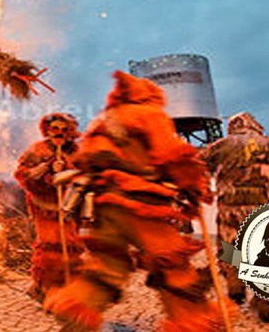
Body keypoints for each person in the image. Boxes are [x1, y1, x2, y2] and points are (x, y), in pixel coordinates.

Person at [44, 71, 229, 332]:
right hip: (141, 206)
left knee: (107, 264)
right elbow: (172, 154)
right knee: (173, 265)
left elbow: (84, 160)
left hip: (103, 206)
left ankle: (77, 307)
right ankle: (193, 322)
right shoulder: (149, 114)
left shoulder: (103, 120)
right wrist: (193, 185)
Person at [198, 111, 269, 322]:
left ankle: (235, 286)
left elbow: (197, 166)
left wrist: (199, 191)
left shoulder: (221, 145)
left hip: (230, 210)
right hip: (264, 209)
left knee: (231, 249)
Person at [13, 113, 85, 302]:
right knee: (50, 248)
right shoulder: (37, 150)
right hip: (45, 208)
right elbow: (22, 175)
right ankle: (44, 288)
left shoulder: (78, 152)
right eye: (55, 129)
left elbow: (86, 176)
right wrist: (47, 170)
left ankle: (69, 287)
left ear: (70, 132)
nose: (59, 133)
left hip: (69, 207)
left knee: (71, 245)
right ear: (47, 130)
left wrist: (68, 172)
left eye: (64, 129)